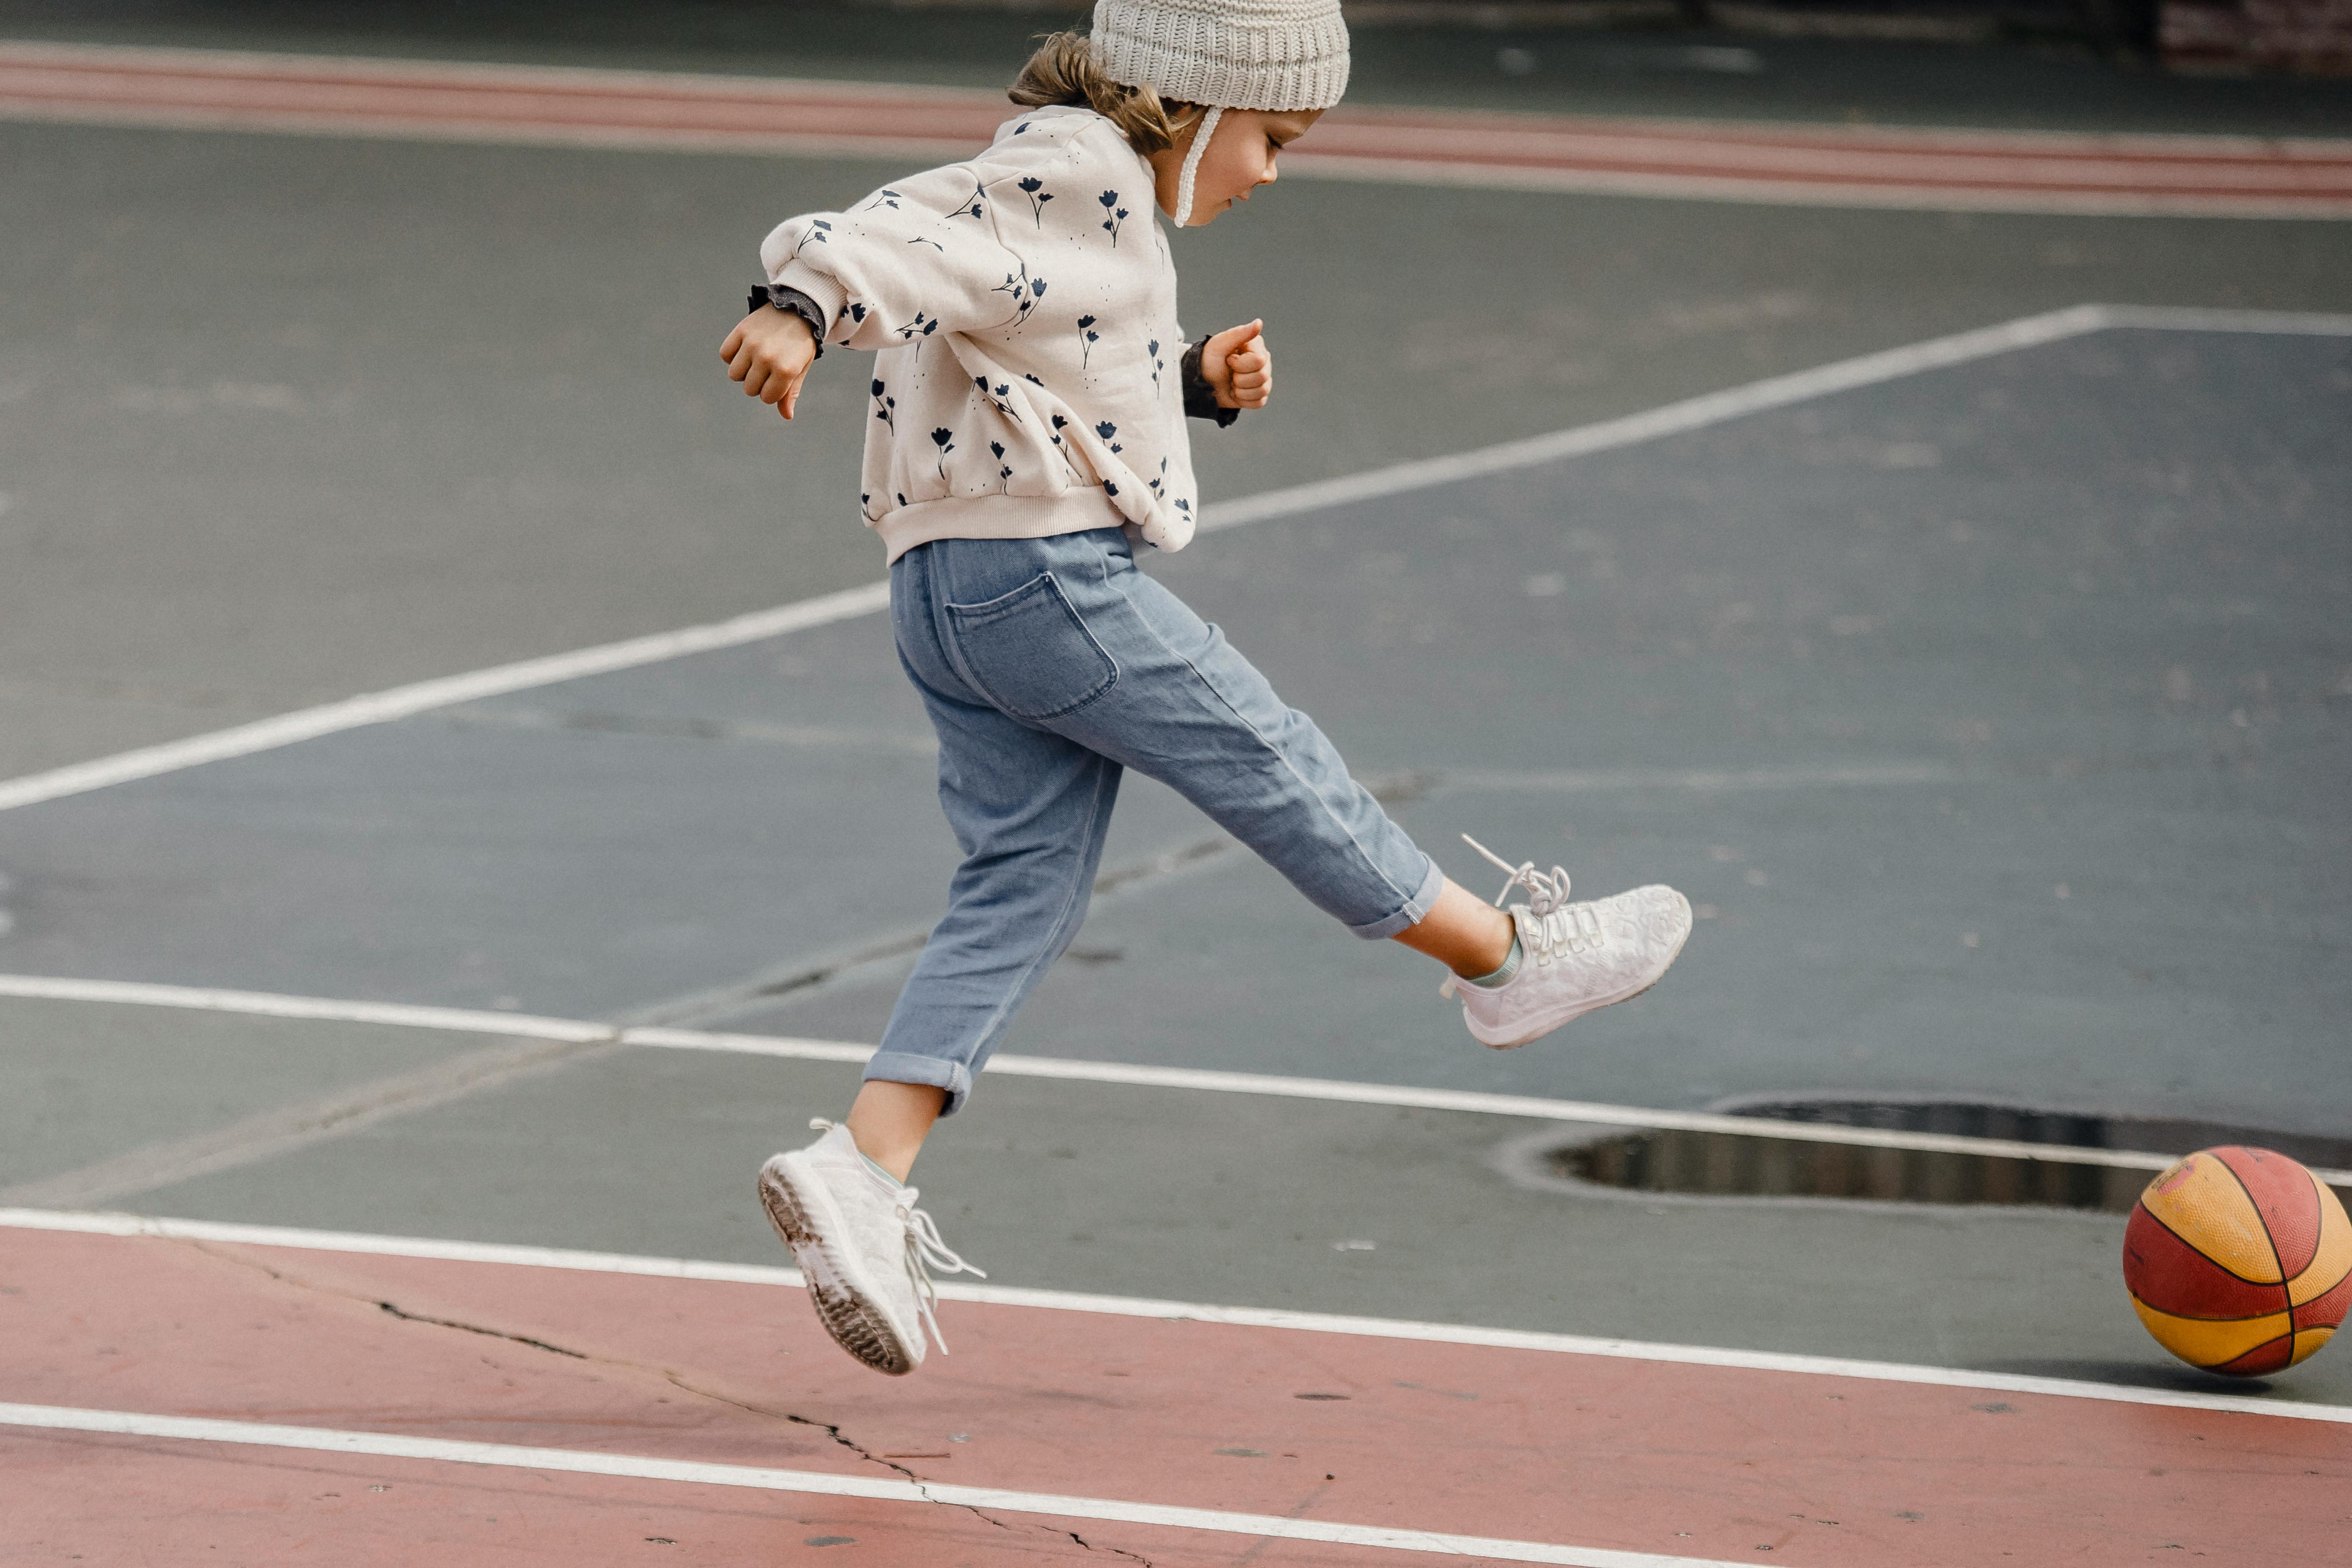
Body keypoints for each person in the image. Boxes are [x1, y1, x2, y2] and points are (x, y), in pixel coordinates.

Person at [719, 0, 1692, 1377]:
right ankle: (1508, 965)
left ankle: (864, 1173)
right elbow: (893, 231)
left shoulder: (1068, 189)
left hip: (943, 594)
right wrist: (798, 312)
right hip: (1042, 582)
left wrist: (1185, 384)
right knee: (1267, 755)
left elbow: (1026, 349)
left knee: (1021, 881)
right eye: (1275, 139)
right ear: (1193, 108)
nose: (1273, 172)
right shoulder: (1081, 164)